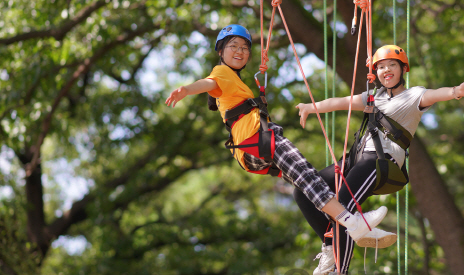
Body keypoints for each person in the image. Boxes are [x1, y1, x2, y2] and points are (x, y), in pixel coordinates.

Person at [294, 44, 464, 275]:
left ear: (402, 69)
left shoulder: (413, 97)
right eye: (381, 66)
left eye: (392, 65)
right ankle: (332, 244)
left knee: (342, 206)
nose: (386, 70)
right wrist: (312, 106)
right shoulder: (373, 98)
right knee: (304, 191)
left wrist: (456, 92)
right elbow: (341, 103)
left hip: (379, 161)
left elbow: (434, 94)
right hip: (354, 161)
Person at [165, 24, 389, 250]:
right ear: (220, 51)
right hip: (257, 138)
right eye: (233, 46)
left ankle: (330, 245)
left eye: (244, 48)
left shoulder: (236, 81)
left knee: (304, 184)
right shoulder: (220, 73)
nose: (240, 51)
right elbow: (209, 83)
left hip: (250, 148)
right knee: (306, 175)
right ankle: (353, 223)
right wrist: (187, 89)